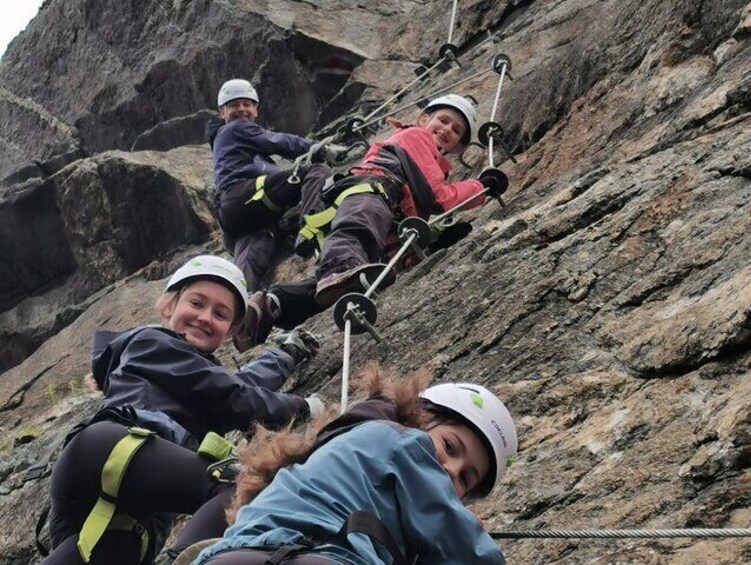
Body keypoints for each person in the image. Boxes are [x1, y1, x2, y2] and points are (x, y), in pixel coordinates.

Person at [42, 255, 324, 565]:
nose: (205, 317)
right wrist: (302, 407)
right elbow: (233, 396)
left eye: (220, 313)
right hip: (119, 446)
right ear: (169, 306)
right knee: (240, 486)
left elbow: (238, 385)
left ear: (229, 329)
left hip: (115, 495)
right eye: (196, 303)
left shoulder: (188, 371)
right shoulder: (151, 341)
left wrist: (285, 355)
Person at [235, 94, 510, 348]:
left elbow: (411, 219)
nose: (447, 129)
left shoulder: (433, 164)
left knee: (360, 277)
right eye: (443, 120)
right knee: (352, 245)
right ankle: (337, 269)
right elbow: (435, 197)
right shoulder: (416, 137)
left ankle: (271, 304)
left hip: (378, 213)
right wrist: (480, 186)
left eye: (457, 130)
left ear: (459, 146)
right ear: (424, 120)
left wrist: (435, 237)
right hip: (372, 191)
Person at [191, 364, 518, 564]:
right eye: (449, 446)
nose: (450, 469)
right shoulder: (398, 441)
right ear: (420, 420)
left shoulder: (313, 464)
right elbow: (467, 554)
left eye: (465, 479)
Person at [208, 78, 346, 296]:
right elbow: (279, 142)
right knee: (315, 171)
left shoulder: (240, 148)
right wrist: (320, 149)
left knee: (254, 249)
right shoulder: (235, 130)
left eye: (247, 104)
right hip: (242, 195)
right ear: (222, 113)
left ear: (256, 109)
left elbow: (271, 172)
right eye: (234, 105)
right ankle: (313, 226)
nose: (241, 109)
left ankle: (239, 303)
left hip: (241, 217)